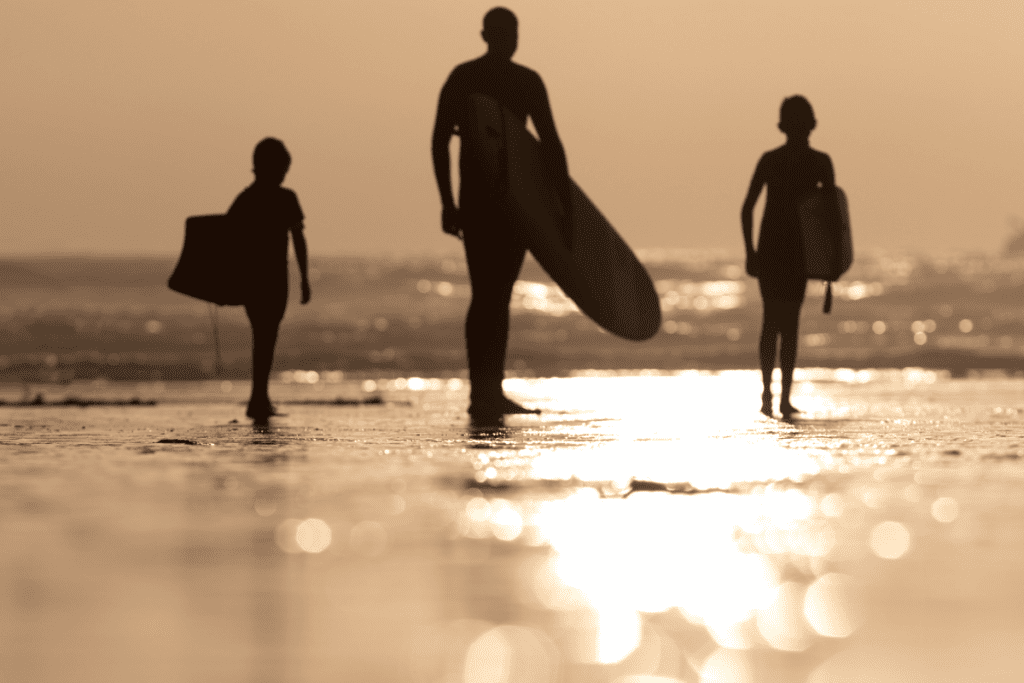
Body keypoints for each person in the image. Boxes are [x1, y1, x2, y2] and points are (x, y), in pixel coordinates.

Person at [431, 7, 570, 422]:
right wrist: (447, 202)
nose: (510, 39)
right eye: (506, 32)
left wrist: (447, 202)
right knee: (489, 295)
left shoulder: (483, 78)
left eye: (513, 32)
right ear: (490, 35)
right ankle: (483, 392)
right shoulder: (495, 79)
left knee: (494, 295)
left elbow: (550, 146)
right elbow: (439, 142)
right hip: (496, 205)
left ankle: (489, 389)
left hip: (503, 204)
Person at [741, 96, 837, 418]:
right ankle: (779, 399)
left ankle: (771, 396)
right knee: (788, 324)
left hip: (774, 251)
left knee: (773, 322)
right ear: (811, 125)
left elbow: (746, 209)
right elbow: (833, 217)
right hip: (795, 253)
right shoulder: (819, 163)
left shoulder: (771, 160)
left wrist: (750, 252)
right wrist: (831, 258)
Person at [228, 138, 311, 421]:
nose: (283, 174)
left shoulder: (245, 199)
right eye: (281, 168)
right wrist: (304, 278)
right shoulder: (285, 198)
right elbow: (298, 239)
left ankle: (259, 397)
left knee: (262, 335)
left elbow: (227, 239)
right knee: (266, 336)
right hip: (273, 278)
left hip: (253, 278)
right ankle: (258, 399)